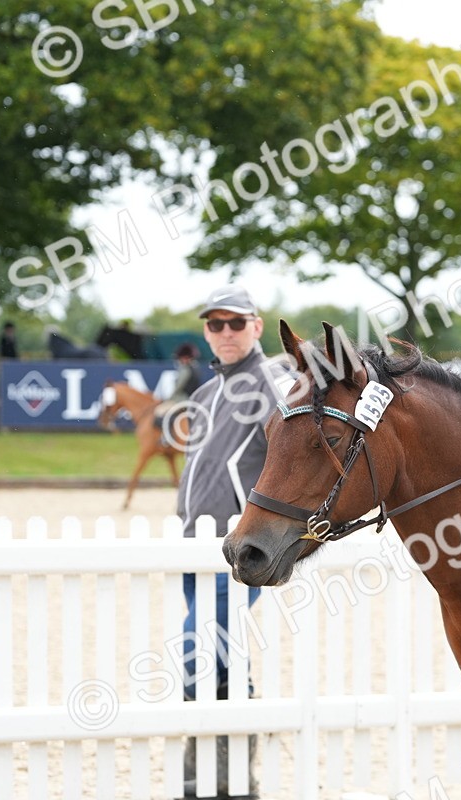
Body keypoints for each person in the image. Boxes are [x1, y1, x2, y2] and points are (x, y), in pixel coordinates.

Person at [176, 285, 290, 799]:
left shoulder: (275, 382)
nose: (225, 333)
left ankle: (222, 775)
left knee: (201, 649)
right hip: (189, 545)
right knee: (220, 655)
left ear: (256, 327)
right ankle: (218, 776)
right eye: (215, 325)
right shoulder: (204, 393)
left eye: (235, 324)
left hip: (239, 547)